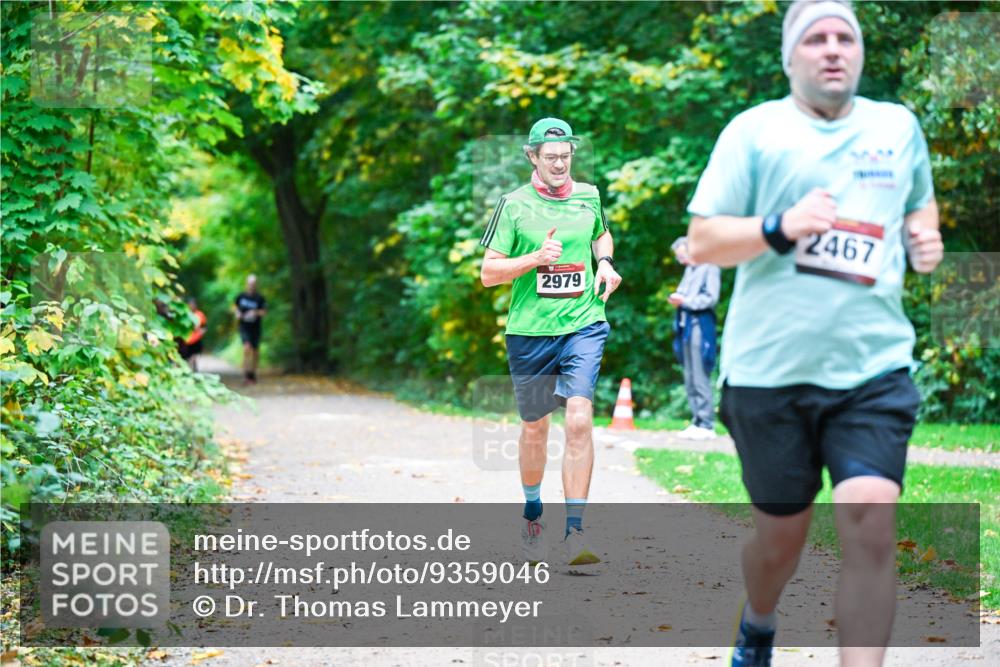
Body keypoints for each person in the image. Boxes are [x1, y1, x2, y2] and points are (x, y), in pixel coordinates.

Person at [685, 2, 944, 665]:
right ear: (790, 57)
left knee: (869, 522)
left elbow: (920, 202)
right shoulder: (754, 132)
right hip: (768, 374)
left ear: (859, 53)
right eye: (816, 39)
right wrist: (780, 226)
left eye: (845, 38)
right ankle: (758, 621)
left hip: (872, 369)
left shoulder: (896, 126)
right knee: (780, 543)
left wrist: (925, 236)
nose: (833, 49)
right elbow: (703, 240)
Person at [480, 117, 622, 567]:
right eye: (551, 157)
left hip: (583, 322)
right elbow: (489, 273)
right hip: (530, 331)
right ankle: (532, 514)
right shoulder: (513, 205)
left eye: (566, 156)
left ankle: (575, 532)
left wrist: (605, 262)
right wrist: (535, 258)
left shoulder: (589, 195)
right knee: (535, 428)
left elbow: (600, 234)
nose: (560, 164)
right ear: (532, 157)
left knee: (578, 419)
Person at [669, 236, 721, 441]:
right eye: (679, 258)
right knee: (689, 376)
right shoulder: (690, 269)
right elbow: (683, 292)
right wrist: (677, 297)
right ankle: (697, 421)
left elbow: (711, 298)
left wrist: (685, 301)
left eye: (683, 256)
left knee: (700, 375)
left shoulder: (710, 266)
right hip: (685, 327)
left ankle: (707, 424)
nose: (682, 261)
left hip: (700, 326)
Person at [234, 275, 267, 385]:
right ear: (246, 284)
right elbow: (235, 307)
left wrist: (255, 312)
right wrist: (237, 313)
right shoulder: (241, 296)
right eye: (250, 284)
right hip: (244, 327)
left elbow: (264, 312)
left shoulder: (260, 298)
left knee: (255, 352)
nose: (251, 286)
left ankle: (253, 374)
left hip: (255, 328)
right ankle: (246, 375)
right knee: (247, 348)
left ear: (256, 284)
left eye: (253, 284)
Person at [180, 297, 207, 372]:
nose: (191, 306)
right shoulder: (184, 314)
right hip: (186, 340)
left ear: (196, 305)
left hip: (196, 340)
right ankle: (188, 370)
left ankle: (194, 369)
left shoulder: (200, 315)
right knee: (186, 358)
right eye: (190, 304)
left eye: (193, 304)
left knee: (194, 357)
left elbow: (204, 326)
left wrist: (202, 331)